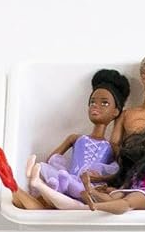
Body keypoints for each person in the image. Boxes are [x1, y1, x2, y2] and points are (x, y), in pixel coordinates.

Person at [11, 68, 131, 211]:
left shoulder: (111, 146)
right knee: (54, 175)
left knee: (70, 188)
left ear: (116, 112)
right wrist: (49, 166)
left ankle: (44, 186)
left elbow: (119, 173)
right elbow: (52, 158)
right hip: (69, 176)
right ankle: (46, 183)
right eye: (92, 102)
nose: (96, 106)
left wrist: (99, 178)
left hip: (88, 186)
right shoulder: (75, 138)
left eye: (104, 103)